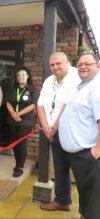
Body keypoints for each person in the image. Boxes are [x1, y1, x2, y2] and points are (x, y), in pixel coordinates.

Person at [37, 52, 80, 211]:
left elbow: (69, 105)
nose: (55, 67)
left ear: (67, 62)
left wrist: (53, 128)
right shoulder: (49, 80)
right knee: (60, 168)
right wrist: (46, 127)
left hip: (72, 133)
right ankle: (62, 200)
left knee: (80, 173)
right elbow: (40, 104)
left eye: (58, 64)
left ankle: (87, 210)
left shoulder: (76, 77)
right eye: (52, 65)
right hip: (52, 133)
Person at [59, 53, 100, 219]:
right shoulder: (83, 86)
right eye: (80, 64)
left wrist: (97, 149)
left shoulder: (97, 88)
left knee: (93, 199)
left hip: (88, 154)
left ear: (97, 66)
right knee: (85, 193)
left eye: (88, 64)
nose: (83, 66)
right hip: (79, 154)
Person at [6, 67, 39, 177]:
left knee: (21, 143)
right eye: (19, 75)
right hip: (12, 119)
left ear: (28, 76)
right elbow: (8, 103)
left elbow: (33, 105)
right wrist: (14, 115)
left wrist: (18, 114)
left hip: (26, 121)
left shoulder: (32, 89)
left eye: (23, 75)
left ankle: (20, 166)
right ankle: (17, 162)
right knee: (14, 142)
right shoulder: (12, 89)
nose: (21, 77)